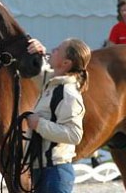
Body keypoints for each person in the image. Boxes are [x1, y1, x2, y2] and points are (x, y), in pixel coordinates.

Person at [26, 37, 91, 193]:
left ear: (66, 63)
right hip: (45, 169)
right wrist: (38, 53)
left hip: (54, 172)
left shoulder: (67, 93)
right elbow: (39, 73)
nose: (52, 50)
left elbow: (74, 135)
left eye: (57, 50)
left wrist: (39, 124)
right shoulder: (54, 84)